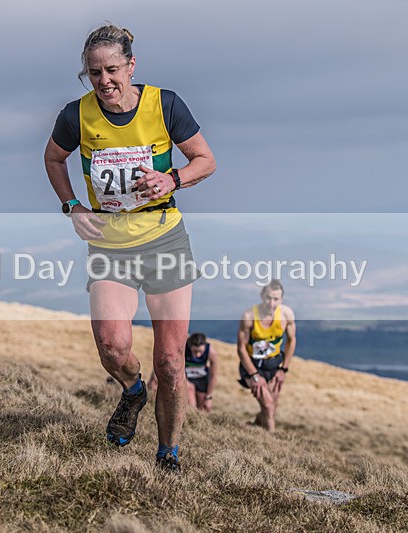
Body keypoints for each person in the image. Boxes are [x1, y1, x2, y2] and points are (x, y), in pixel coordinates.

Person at [44, 24, 216, 472]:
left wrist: (172, 178)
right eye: (94, 72)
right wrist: (72, 206)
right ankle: (133, 391)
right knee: (111, 344)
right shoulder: (76, 115)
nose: (104, 81)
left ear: (131, 66)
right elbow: (53, 158)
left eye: (113, 69)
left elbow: (206, 160)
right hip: (110, 244)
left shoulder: (165, 104)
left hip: (164, 240)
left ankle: (168, 454)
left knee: (171, 360)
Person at [236, 280, 296, 432]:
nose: (271, 303)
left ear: (281, 299)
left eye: (276, 299)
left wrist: (284, 369)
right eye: (268, 298)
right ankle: (272, 444)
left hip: (274, 365)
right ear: (262, 296)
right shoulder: (249, 316)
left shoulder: (286, 315)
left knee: (271, 407)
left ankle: (255, 426)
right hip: (252, 366)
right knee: (268, 406)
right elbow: (241, 348)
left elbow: (292, 341)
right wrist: (254, 375)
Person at [147, 332, 219, 412]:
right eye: (195, 351)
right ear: (190, 346)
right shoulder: (182, 348)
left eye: (200, 352)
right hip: (186, 378)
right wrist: (153, 379)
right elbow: (166, 362)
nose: (198, 355)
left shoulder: (211, 352)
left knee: (203, 409)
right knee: (191, 405)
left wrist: (209, 397)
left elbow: (213, 376)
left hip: (202, 380)